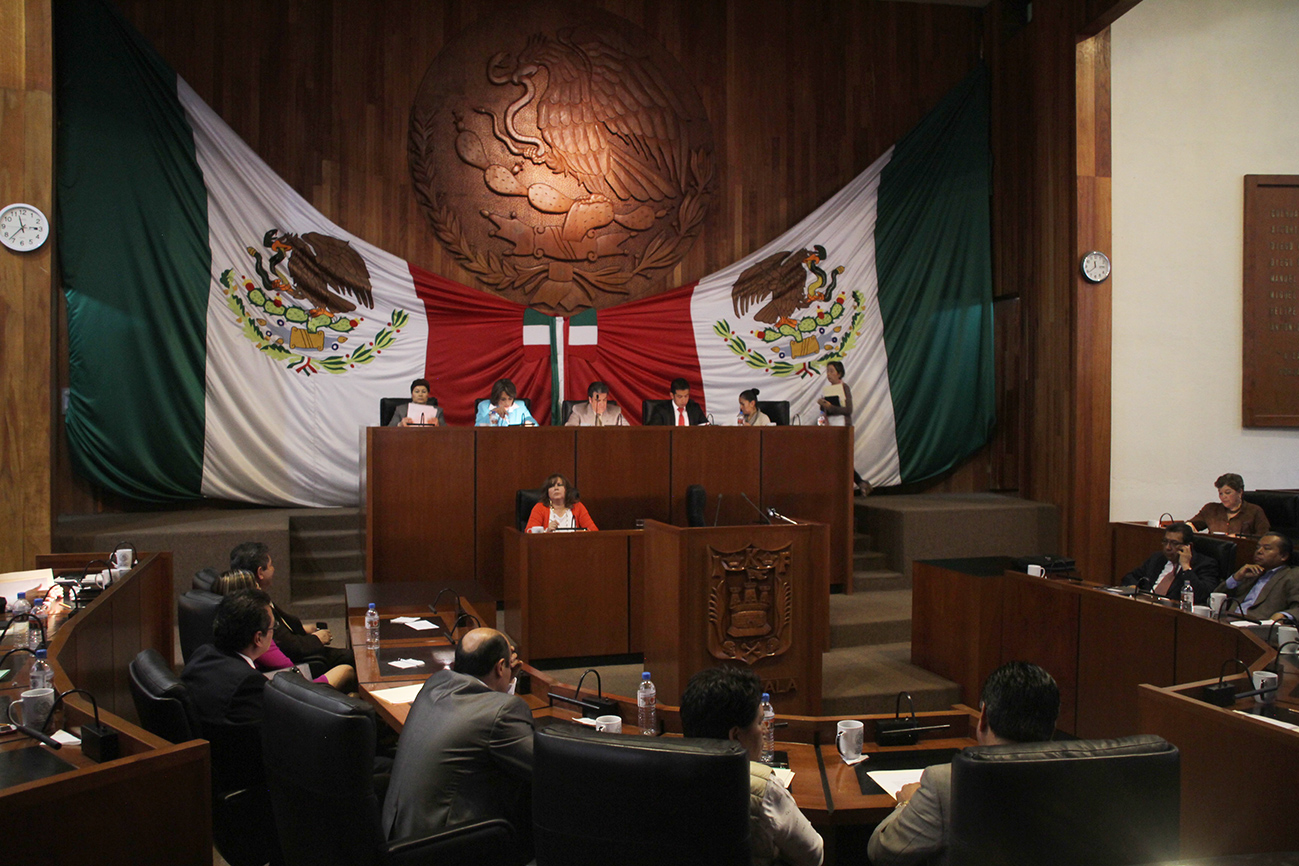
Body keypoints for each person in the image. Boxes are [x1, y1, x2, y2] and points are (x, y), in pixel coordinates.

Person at [868, 661, 1060, 866]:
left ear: (983, 716)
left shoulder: (946, 783)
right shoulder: (1077, 781)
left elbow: (882, 851)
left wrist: (906, 804)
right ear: (1053, 724)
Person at [382, 628, 533, 858]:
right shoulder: (503, 711)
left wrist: (506, 680)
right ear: (500, 666)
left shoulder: (435, 682)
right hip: (441, 849)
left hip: (396, 839)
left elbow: (489, 708)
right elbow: (542, 765)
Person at [679, 666, 823, 866]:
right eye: (759, 722)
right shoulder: (762, 787)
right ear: (735, 736)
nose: (764, 731)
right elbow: (814, 854)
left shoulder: (659, 772)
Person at [213, 571, 356, 691]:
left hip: (286, 683)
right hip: (294, 690)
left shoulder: (211, 654)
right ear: (258, 638)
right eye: (273, 627)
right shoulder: (251, 682)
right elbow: (291, 680)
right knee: (345, 670)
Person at [230, 541, 354, 670]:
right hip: (295, 664)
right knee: (351, 658)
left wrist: (303, 629)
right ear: (260, 572)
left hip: (294, 650)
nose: (273, 569)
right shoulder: (255, 607)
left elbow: (280, 631)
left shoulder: (244, 598)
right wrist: (316, 639)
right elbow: (287, 646)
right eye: (271, 565)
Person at [1118, 522, 1219, 604]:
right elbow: (1130, 577)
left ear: (1188, 546)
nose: (1168, 547)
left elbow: (1201, 595)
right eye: (1165, 541)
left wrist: (1186, 567)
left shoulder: (1205, 564)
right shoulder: (1157, 559)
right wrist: (1136, 588)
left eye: (1174, 543)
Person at [1212, 531, 1299, 622]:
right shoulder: (1251, 572)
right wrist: (1236, 578)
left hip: (1256, 625)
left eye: (1267, 548)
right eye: (1258, 547)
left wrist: (1285, 615)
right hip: (1227, 620)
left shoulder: (1293, 575)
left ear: (1284, 556)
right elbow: (1215, 598)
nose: (1259, 551)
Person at [1188, 473, 1269, 536]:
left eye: (1228, 493)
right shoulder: (1211, 509)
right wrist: (1188, 527)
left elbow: (1264, 538)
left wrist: (1243, 539)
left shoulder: (1254, 511)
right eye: (1220, 493)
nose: (1223, 497)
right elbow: (1191, 525)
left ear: (1240, 492)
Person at [524, 473, 598, 532]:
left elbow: (594, 531)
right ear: (547, 492)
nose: (556, 488)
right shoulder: (540, 508)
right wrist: (546, 531)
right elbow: (529, 532)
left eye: (559, 485)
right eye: (552, 486)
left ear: (566, 490)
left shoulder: (578, 507)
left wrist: (581, 534)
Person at [816, 361, 853, 427]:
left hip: (842, 424)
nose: (828, 374)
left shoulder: (844, 387)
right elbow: (824, 412)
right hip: (830, 424)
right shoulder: (827, 389)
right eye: (827, 371)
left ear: (839, 374)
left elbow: (848, 409)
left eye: (831, 371)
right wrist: (822, 405)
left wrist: (830, 407)